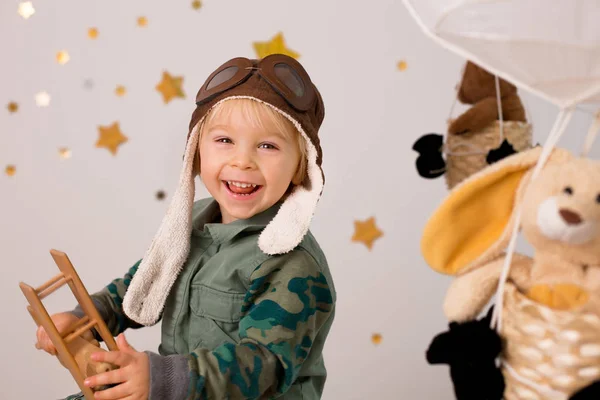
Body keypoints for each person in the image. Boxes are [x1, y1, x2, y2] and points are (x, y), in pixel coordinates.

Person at [36, 53, 336, 400]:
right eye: (224, 140)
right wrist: (84, 317)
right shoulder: (192, 223)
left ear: (301, 168)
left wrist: (161, 378)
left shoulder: (291, 263)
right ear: (196, 151)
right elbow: (144, 283)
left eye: (267, 146)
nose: (242, 160)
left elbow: (263, 365)